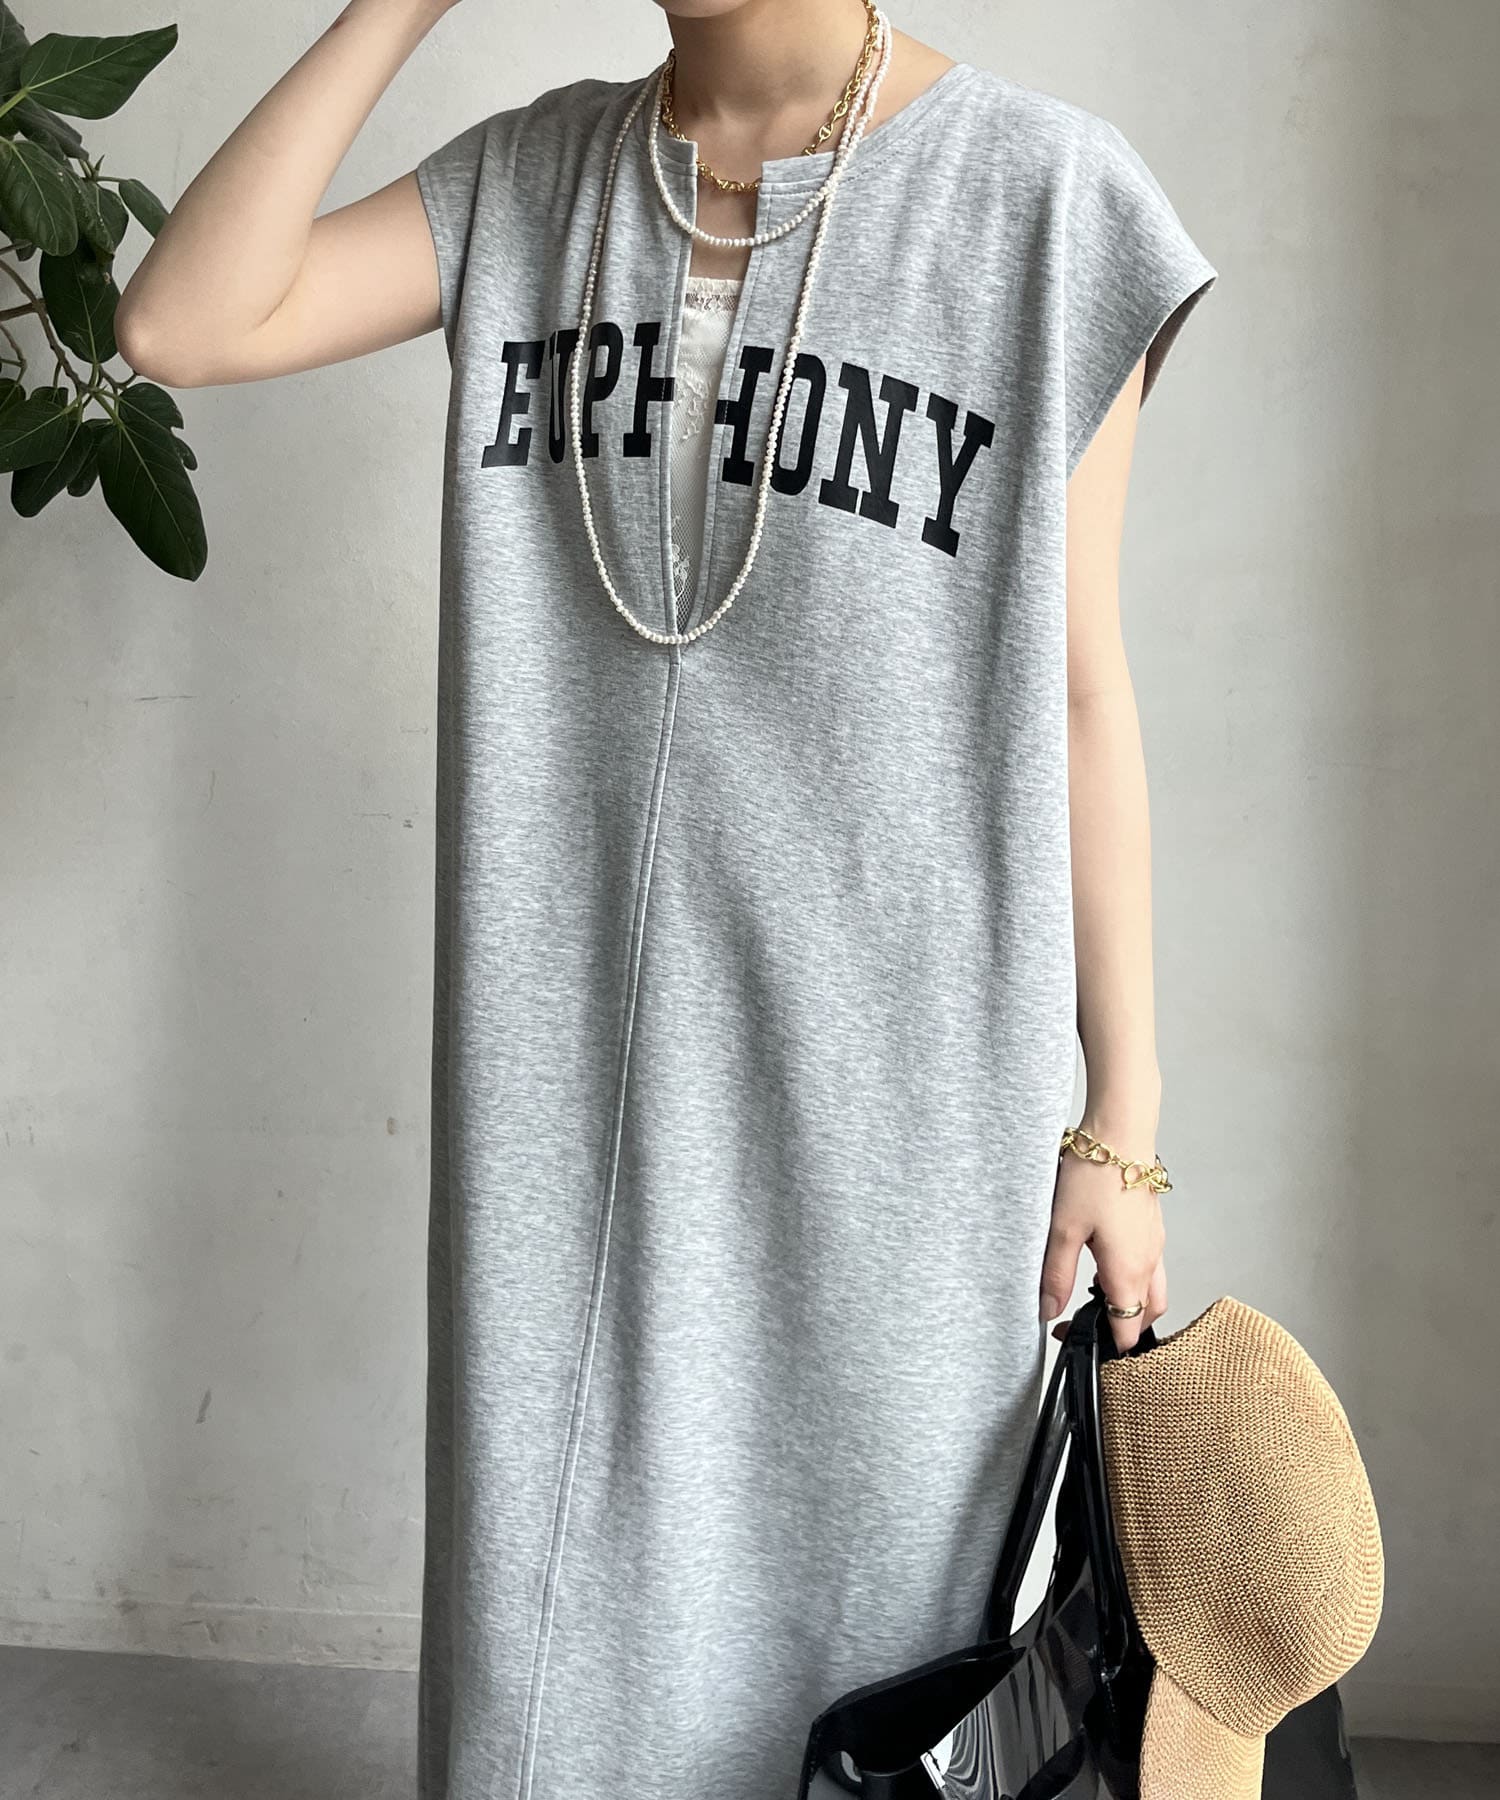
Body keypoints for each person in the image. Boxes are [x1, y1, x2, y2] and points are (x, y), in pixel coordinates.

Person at [116, 3, 1218, 1797]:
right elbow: (180, 322)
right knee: (556, 1655)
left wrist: (1129, 1115)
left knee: (886, 1665)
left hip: (907, 1094)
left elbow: (1084, 686)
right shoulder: (532, 182)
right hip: (568, 1100)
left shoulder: (1045, 201)